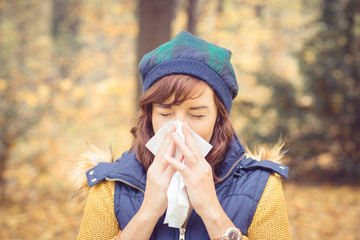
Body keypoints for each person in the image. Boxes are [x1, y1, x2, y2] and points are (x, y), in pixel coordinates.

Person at [75, 31, 291, 240]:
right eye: (165, 113)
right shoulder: (111, 185)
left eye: (197, 115)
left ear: (219, 118)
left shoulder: (261, 186)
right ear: (149, 115)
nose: (179, 127)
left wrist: (210, 209)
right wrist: (148, 211)